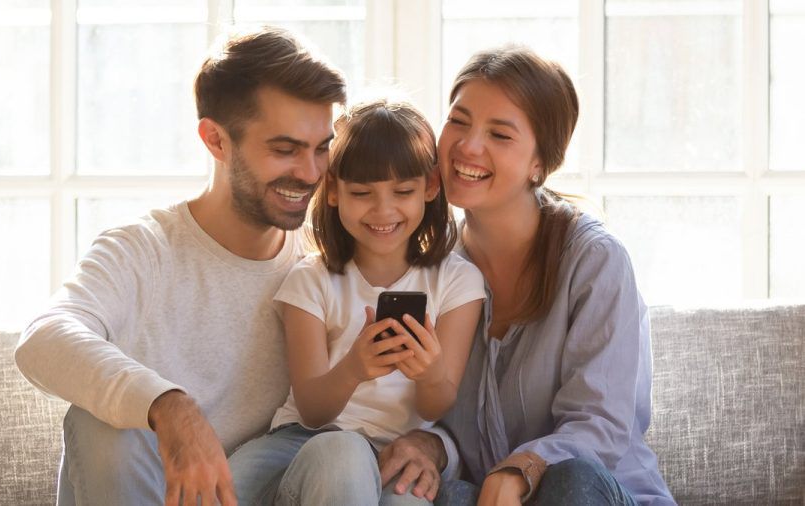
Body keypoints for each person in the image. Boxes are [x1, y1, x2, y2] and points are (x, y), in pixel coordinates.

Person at [14, 26, 350, 505]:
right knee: (102, 427)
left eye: (321, 148)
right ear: (215, 140)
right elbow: (44, 339)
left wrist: (431, 444)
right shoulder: (141, 250)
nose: (311, 173)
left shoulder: (324, 259)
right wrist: (168, 406)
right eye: (284, 149)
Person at [427, 46, 677, 505]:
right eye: (458, 121)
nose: (468, 146)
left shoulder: (595, 259)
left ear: (540, 163)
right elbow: (431, 415)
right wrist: (427, 446)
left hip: (592, 495)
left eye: (499, 134)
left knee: (569, 481)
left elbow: (600, 424)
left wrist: (524, 466)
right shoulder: (431, 268)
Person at [226, 100, 486, 505]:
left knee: (406, 499)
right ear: (332, 190)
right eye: (362, 193)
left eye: (403, 191)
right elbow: (312, 410)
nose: (383, 210)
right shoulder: (311, 280)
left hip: (394, 451)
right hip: (301, 442)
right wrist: (354, 368)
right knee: (232, 488)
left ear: (431, 187)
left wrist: (431, 373)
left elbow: (437, 402)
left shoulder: (457, 281)